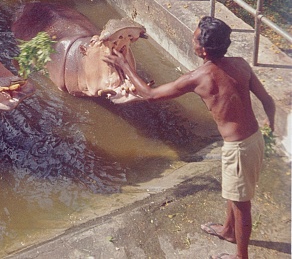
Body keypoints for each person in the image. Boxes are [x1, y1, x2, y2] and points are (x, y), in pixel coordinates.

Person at [104, 16, 275, 259]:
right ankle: (228, 231)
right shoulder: (241, 64)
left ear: (203, 50)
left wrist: (125, 66)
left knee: (241, 204)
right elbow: (267, 100)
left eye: (194, 39)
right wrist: (270, 127)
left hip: (239, 150)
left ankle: (241, 256)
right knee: (233, 192)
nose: (191, 40)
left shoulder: (200, 77)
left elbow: (150, 94)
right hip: (252, 139)